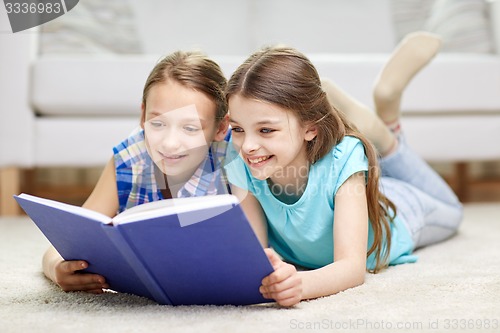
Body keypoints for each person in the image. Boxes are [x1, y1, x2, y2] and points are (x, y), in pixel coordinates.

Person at [224, 32, 463, 307]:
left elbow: (351, 268)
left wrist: (298, 285)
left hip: (402, 210)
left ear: (310, 127)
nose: (248, 146)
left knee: (453, 210)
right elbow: (257, 252)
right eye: (238, 129)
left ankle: (387, 127)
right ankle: (382, 130)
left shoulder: (344, 157)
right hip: (357, 188)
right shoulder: (239, 158)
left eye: (266, 129)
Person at [42, 51, 231, 293]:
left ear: (221, 128)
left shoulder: (232, 161)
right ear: (143, 116)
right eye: (158, 124)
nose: (170, 144)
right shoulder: (129, 160)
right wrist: (56, 267)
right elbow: (67, 241)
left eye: (190, 128)